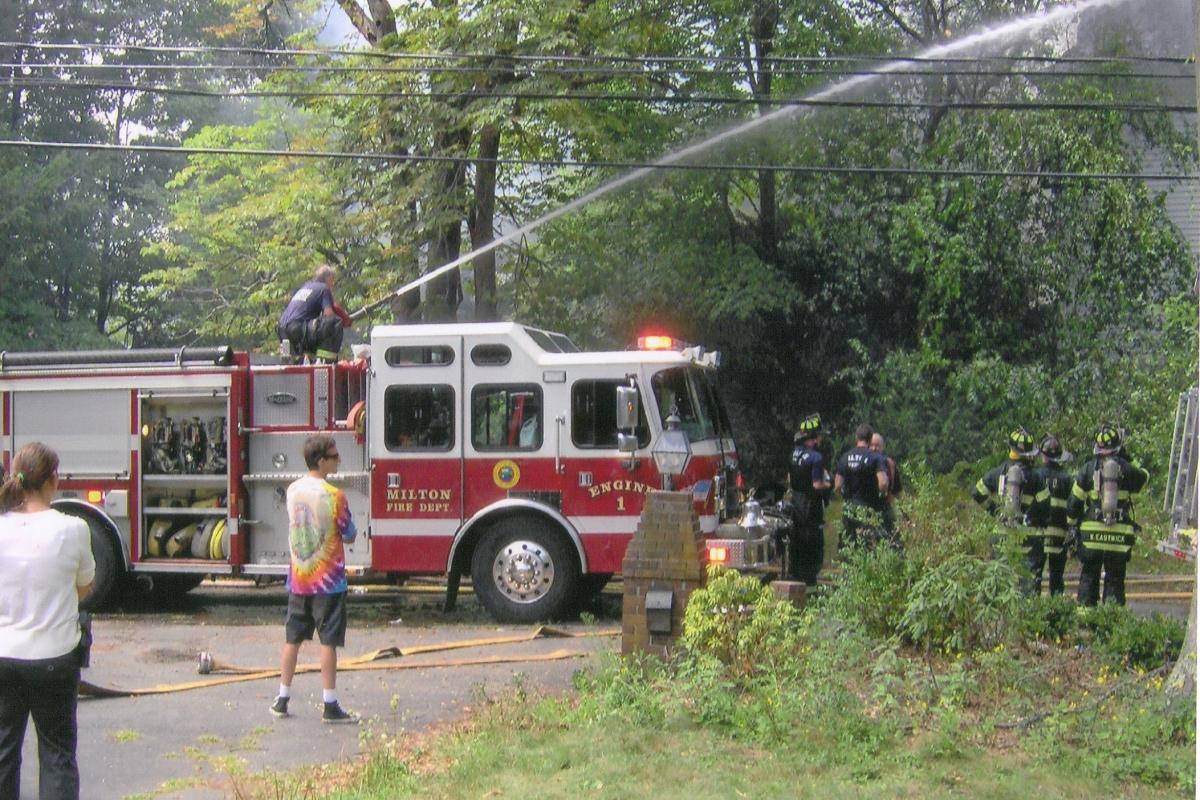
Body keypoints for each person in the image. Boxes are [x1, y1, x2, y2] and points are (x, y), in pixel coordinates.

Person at [0, 442, 95, 800]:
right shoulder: (73, 529)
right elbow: (85, 586)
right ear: (54, 479)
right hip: (55, 658)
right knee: (57, 754)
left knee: (4, 752)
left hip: (4, 655)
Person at [271, 434, 359, 723]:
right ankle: (330, 704)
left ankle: (282, 698)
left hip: (298, 579)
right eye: (334, 456)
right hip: (329, 583)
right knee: (328, 642)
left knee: (292, 640)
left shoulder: (293, 490)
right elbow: (349, 534)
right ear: (322, 461)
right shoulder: (335, 496)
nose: (338, 460)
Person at [1067, 424, 1149, 606]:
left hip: (1091, 537)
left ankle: (1086, 620)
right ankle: (1111, 622)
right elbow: (1145, 477)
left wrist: (1072, 526)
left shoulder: (1087, 469)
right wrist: (1129, 459)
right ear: (1118, 446)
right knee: (1115, 580)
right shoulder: (1127, 469)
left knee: (1089, 576)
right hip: (1119, 539)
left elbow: (1074, 503)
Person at [971, 426, 1044, 594]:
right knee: (1027, 584)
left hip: (1001, 536)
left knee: (1000, 582)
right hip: (1027, 536)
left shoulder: (997, 472)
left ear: (1010, 449)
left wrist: (995, 511)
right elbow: (1044, 506)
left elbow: (977, 493)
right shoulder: (1036, 476)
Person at [784, 413, 831, 586]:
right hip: (811, 506)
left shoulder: (793, 454)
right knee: (813, 542)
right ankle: (810, 580)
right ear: (813, 436)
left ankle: (795, 573)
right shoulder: (816, 457)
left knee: (796, 538)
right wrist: (829, 484)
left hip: (795, 502)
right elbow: (817, 485)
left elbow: (789, 479)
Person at [277, 264, 352, 364]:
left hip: (282, 330)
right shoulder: (324, 289)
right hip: (298, 329)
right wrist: (344, 320)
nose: (333, 283)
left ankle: (299, 360)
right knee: (334, 322)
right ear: (328, 278)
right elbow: (329, 314)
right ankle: (325, 361)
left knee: (316, 328)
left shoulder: (306, 287)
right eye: (333, 279)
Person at [1030, 434, 1073, 596]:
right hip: (1059, 536)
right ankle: (1056, 611)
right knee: (1056, 576)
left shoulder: (1035, 475)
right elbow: (1073, 506)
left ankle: (1033, 610)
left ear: (1043, 455)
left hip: (1037, 534)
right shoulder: (1067, 479)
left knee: (1034, 575)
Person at [834, 424, 890, 550]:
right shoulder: (875, 457)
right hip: (869, 509)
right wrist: (881, 494)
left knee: (849, 545)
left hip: (849, 509)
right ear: (870, 439)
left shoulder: (845, 457)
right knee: (868, 545)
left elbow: (837, 486)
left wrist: (846, 496)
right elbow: (883, 483)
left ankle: (848, 569)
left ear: (856, 438)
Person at [869, 432, 903, 542]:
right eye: (871, 445)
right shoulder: (862, 464)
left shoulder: (890, 464)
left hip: (885, 508)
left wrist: (904, 511)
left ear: (882, 447)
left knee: (893, 541)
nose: (874, 448)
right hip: (866, 509)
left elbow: (897, 491)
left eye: (877, 445)